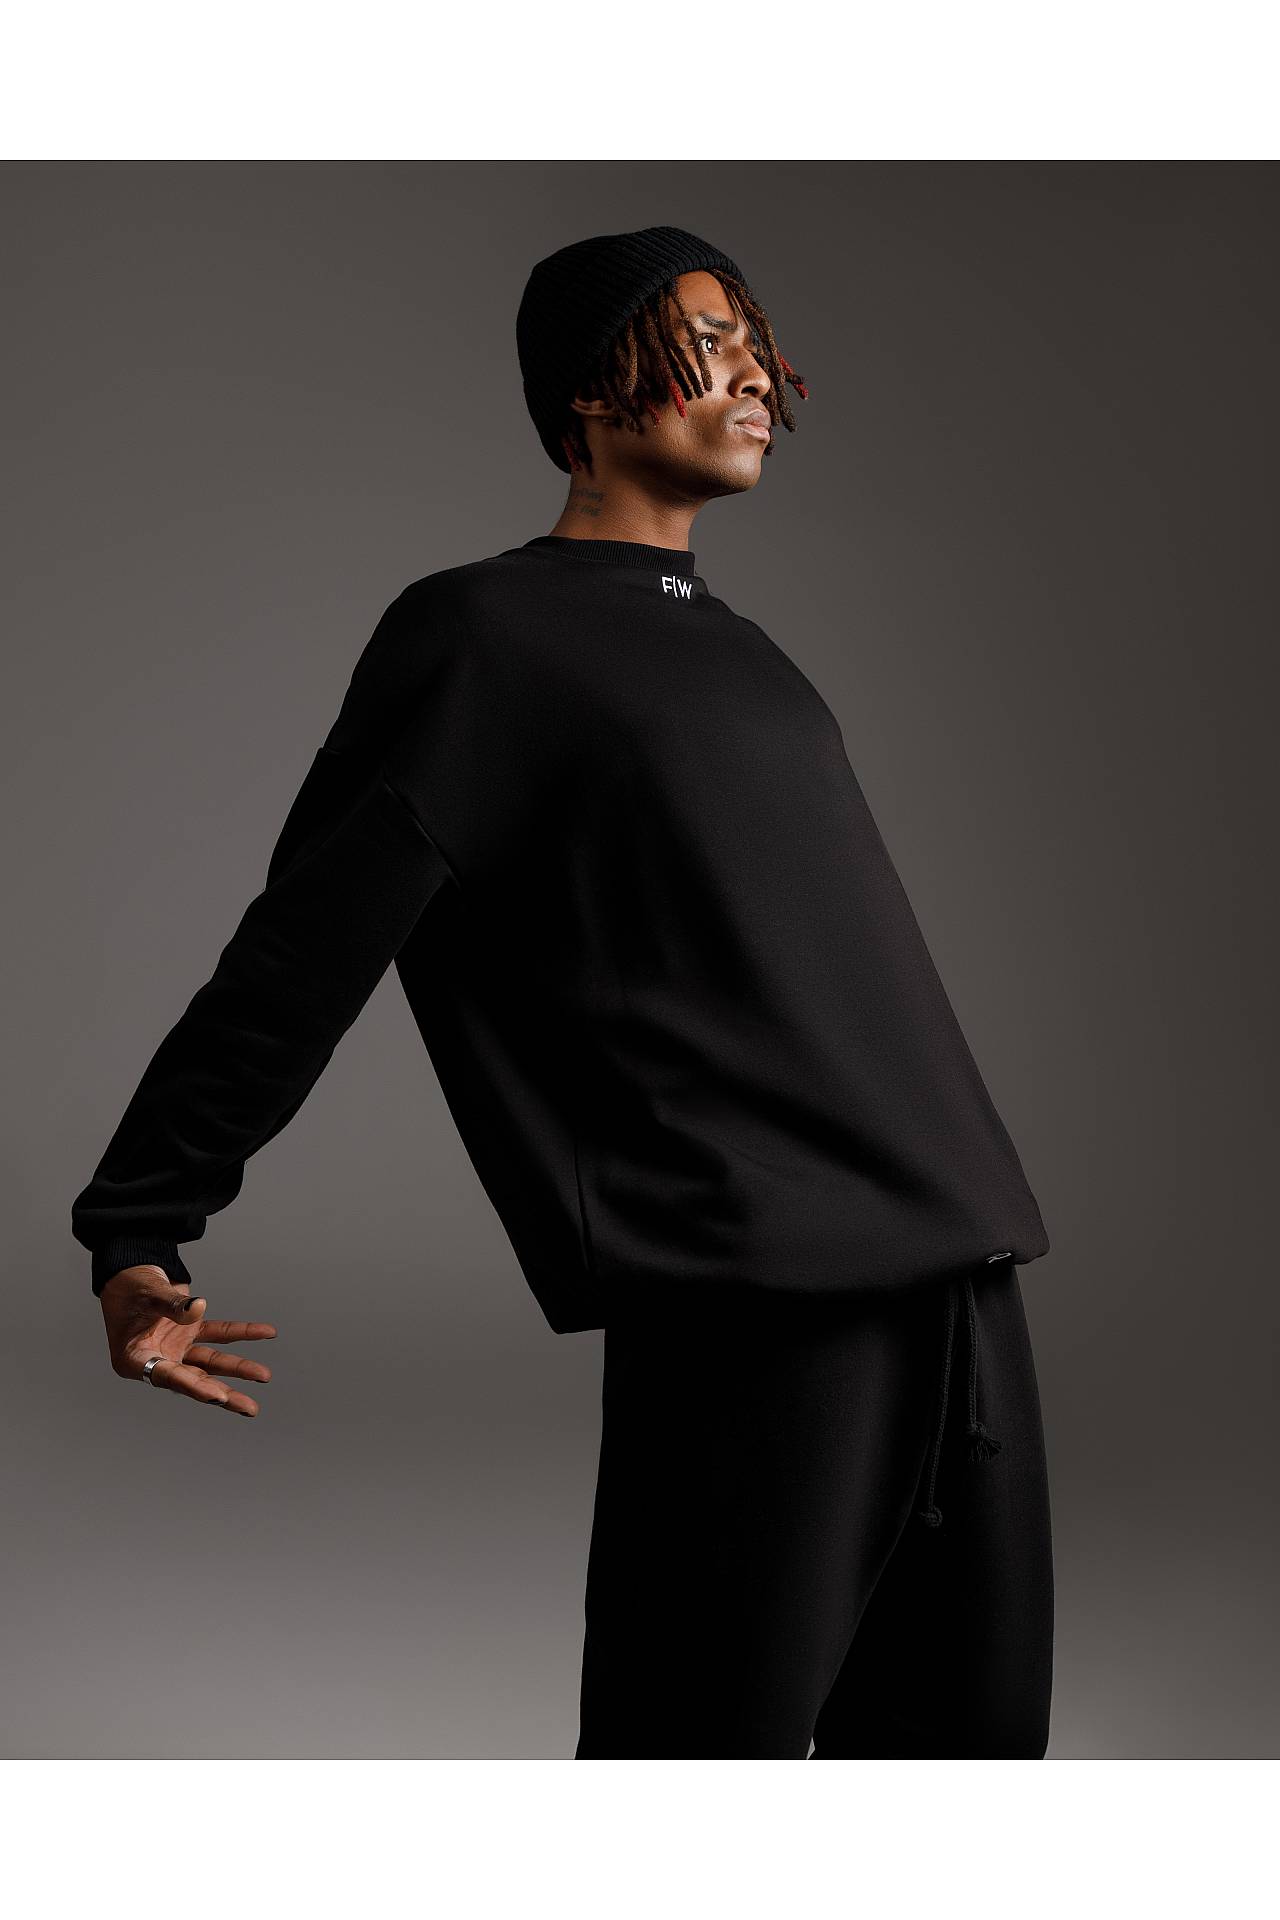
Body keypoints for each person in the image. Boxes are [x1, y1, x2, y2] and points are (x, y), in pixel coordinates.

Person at [71, 224, 1054, 1758]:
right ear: (594, 390)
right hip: (756, 1302)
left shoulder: (748, 655)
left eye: (756, 348)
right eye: (707, 343)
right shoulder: (481, 636)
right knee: (689, 1769)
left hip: (961, 1291)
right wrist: (139, 1225)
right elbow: (303, 945)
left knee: (970, 1780)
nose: (753, 377)